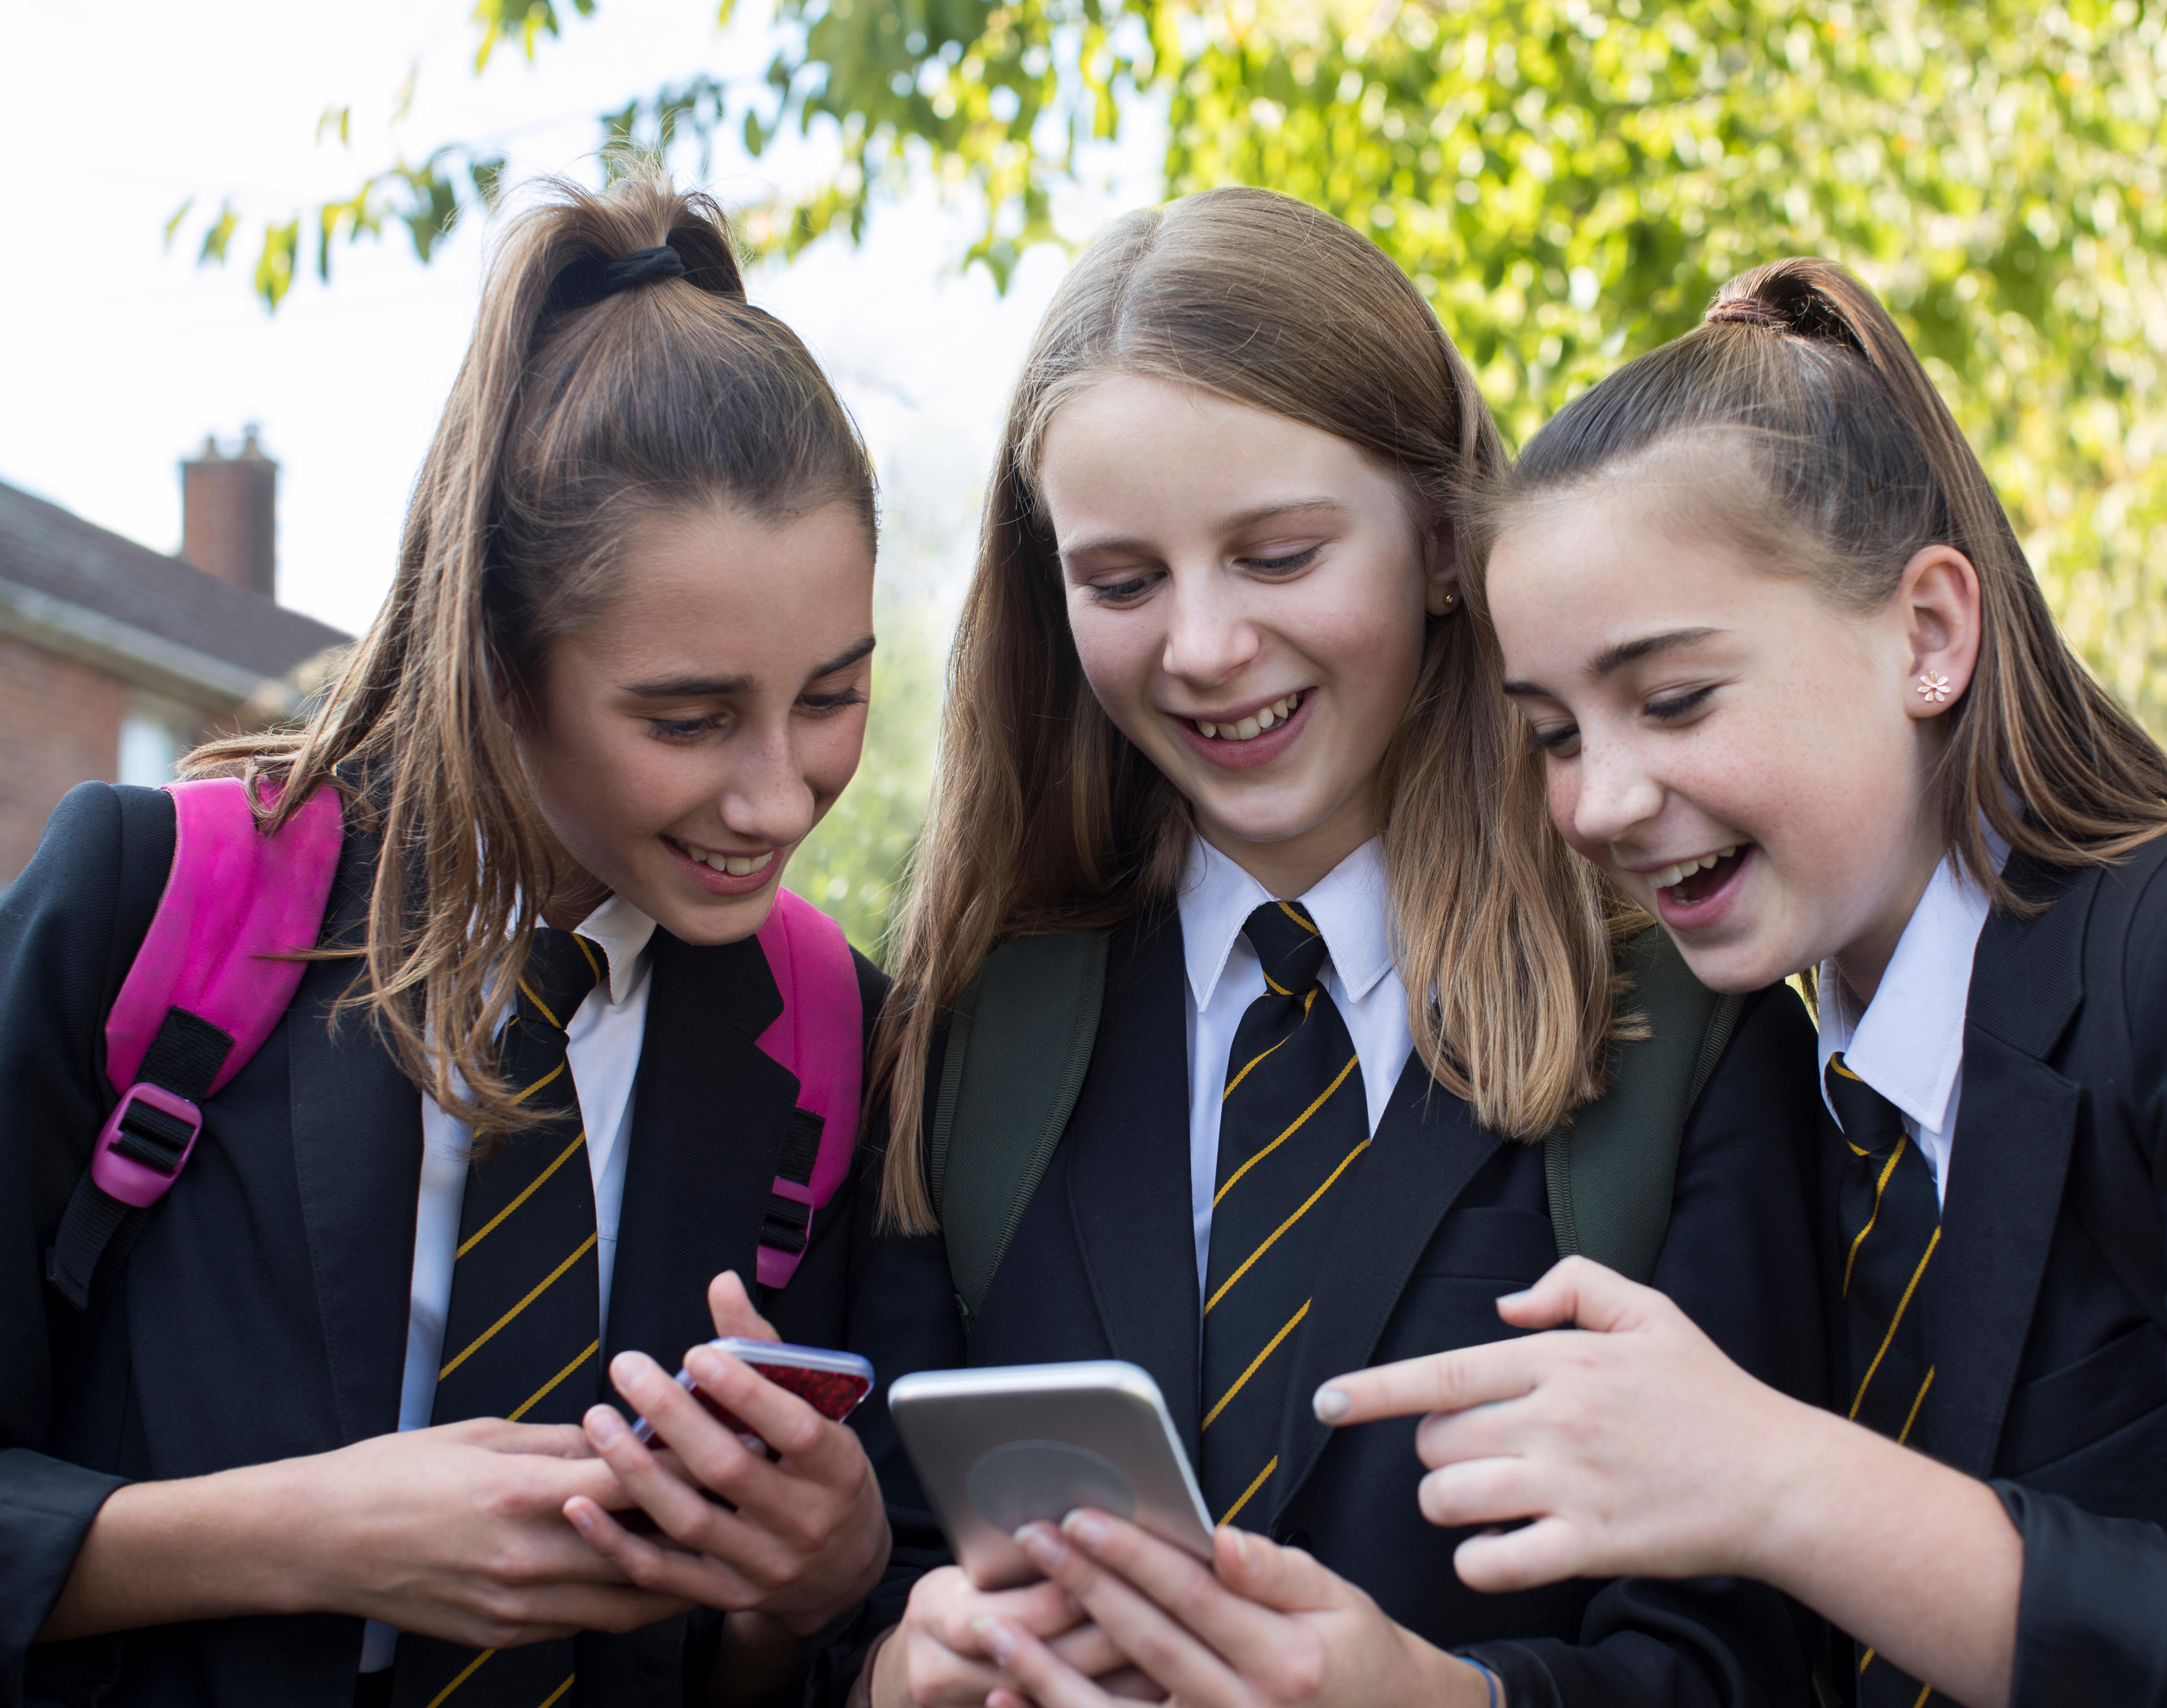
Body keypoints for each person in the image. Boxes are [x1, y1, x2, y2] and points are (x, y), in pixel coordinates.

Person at [1302, 257, 2167, 1708]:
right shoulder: (1792, 1111)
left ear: (1929, 636)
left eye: (1675, 700)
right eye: (1556, 733)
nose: (1597, 803)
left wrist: (1777, 1479)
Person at [839, 188, 1832, 1708]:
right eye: (1121, 582)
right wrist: (899, 1672)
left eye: (1280, 556)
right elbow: (879, 1590)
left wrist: (1444, 1699)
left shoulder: (1682, 1025)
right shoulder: (970, 1035)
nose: (1204, 648)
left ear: (1445, 543)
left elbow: (1757, 1664)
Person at [3, 171, 902, 1706]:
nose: (778, 796)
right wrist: (294, 1537)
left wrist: (812, 1590)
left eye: (830, 696)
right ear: (493, 656)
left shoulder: (828, 1039)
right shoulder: (143, 914)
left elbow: (747, 1673)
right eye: (687, 719)